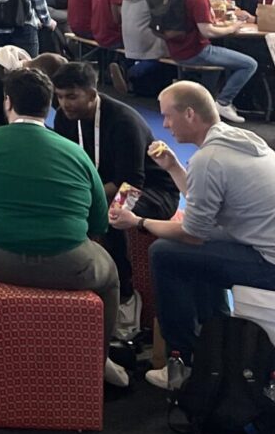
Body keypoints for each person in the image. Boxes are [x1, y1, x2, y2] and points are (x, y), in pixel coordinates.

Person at [111, 80, 275, 390]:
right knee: (197, 254)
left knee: (166, 254)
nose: (165, 125)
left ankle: (182, 361)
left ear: (190, 115)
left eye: (168, 117)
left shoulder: (208, 160)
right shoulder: (238, 139)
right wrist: (172, 168)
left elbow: (192, 233)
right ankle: (216, 339)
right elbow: (202, 209)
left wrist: (138, 221)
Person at [0, 66, 127, 384]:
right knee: (109, 277)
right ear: (48, 105)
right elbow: (98, 221)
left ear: (7, 103)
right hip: (69, 264)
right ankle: (102, 359)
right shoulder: (76, 153)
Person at [51, 60, 179, 331]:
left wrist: (90, 202)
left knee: (112, 218)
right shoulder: (64, 118)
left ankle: (125, 298)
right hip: (100, 187)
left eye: (72, 96)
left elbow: (131, 182)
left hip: (153, 190)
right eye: (60, 96)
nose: (65, 104)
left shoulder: (123, 121)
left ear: (92, 93)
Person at [158, 0, 258, 124]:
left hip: (178, 48)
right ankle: (224, 102)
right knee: (250, 64)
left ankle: (213, 101)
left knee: (222, 63)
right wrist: (232, 27)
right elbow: (207, 32)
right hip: (196, 50)